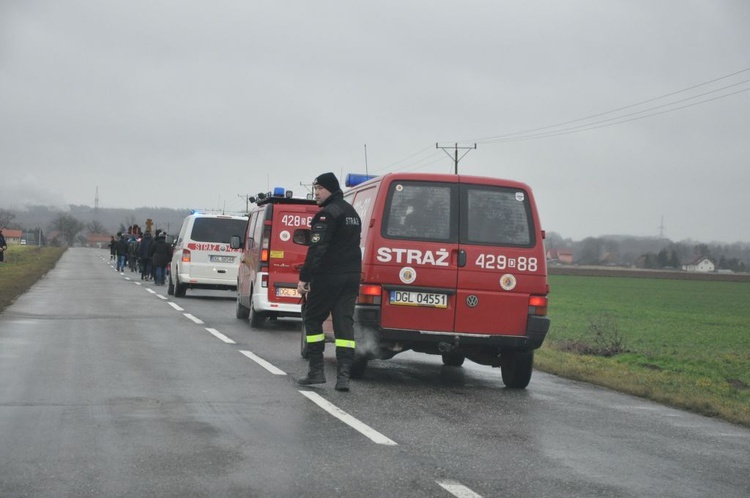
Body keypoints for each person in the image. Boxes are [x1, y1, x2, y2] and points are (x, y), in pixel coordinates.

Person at [297, 172, 362, 392]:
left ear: (331, 190)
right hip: (351, 277)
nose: (315, 193)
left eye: (319, 189)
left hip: (329, 277)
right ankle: (344, 377)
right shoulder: (352, 213)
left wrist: (305, 278)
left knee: (313, 319)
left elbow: (317, 249)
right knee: (344, 327)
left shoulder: (327, 215)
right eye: (314, 189)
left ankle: (316, 371)